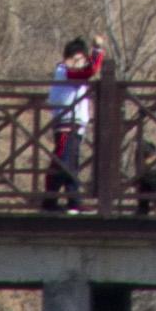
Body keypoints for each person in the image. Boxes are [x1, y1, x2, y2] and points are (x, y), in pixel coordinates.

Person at [42, 30, 102, 209]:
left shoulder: (69, 71)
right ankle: (69, 201)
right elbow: (91, 70)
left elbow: (88, 69)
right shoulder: (65, 70)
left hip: (73, 124)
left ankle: (57, 201)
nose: (81, 62)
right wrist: (97, 50)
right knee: (64, 161)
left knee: (66, 161)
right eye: (78, 57)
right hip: (67, 123)